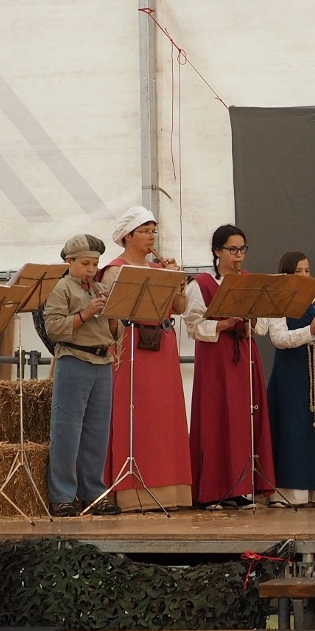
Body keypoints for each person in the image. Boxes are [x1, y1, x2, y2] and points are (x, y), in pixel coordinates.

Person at [101, 206, 192, 511]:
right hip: (132, 344)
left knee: (165, 416)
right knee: (136, 414)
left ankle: (170, 489)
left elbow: (178, 307)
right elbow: (117, 309)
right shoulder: (116, 269)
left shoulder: (158, 268)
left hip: (162, 345)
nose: (152, 236)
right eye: (145, 230)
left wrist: (177, 280)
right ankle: (131, 491)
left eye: (153, 230)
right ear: (128, 236)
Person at [185, 224, 275, 509]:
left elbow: (263, 322)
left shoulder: (249, 281)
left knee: (245, 419)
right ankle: (211, 490)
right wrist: (223, 324)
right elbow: (192, 325)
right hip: (216, 356)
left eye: (242, 250)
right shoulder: (201, 283)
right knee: (216, 419)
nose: (238, 256)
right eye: (232, 250)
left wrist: (251, 324)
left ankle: (241, 487)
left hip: (245, 354)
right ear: (217, 251)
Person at [42, 234, 122, 517]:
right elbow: (53, 328)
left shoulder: (100, 287)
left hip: (102, 361)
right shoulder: (61, 288)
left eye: (95, 264)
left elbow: (115, 332)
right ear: (70, 262)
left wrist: (113, 313)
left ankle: (94, 493)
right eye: (86, 263)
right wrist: (86, 313)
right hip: (74, 358)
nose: (91, 269)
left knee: (97, 432)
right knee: (67, 430)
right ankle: (62, 496)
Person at [265, 251, 315, 507]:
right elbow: (279, 339)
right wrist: (310, 329)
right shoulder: (278, 299)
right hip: (289, 374)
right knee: (291, 429)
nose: (305, 276)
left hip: (313, 371)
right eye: (298, 271)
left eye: (307, 270)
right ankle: (288, 493)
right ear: (286, 274)